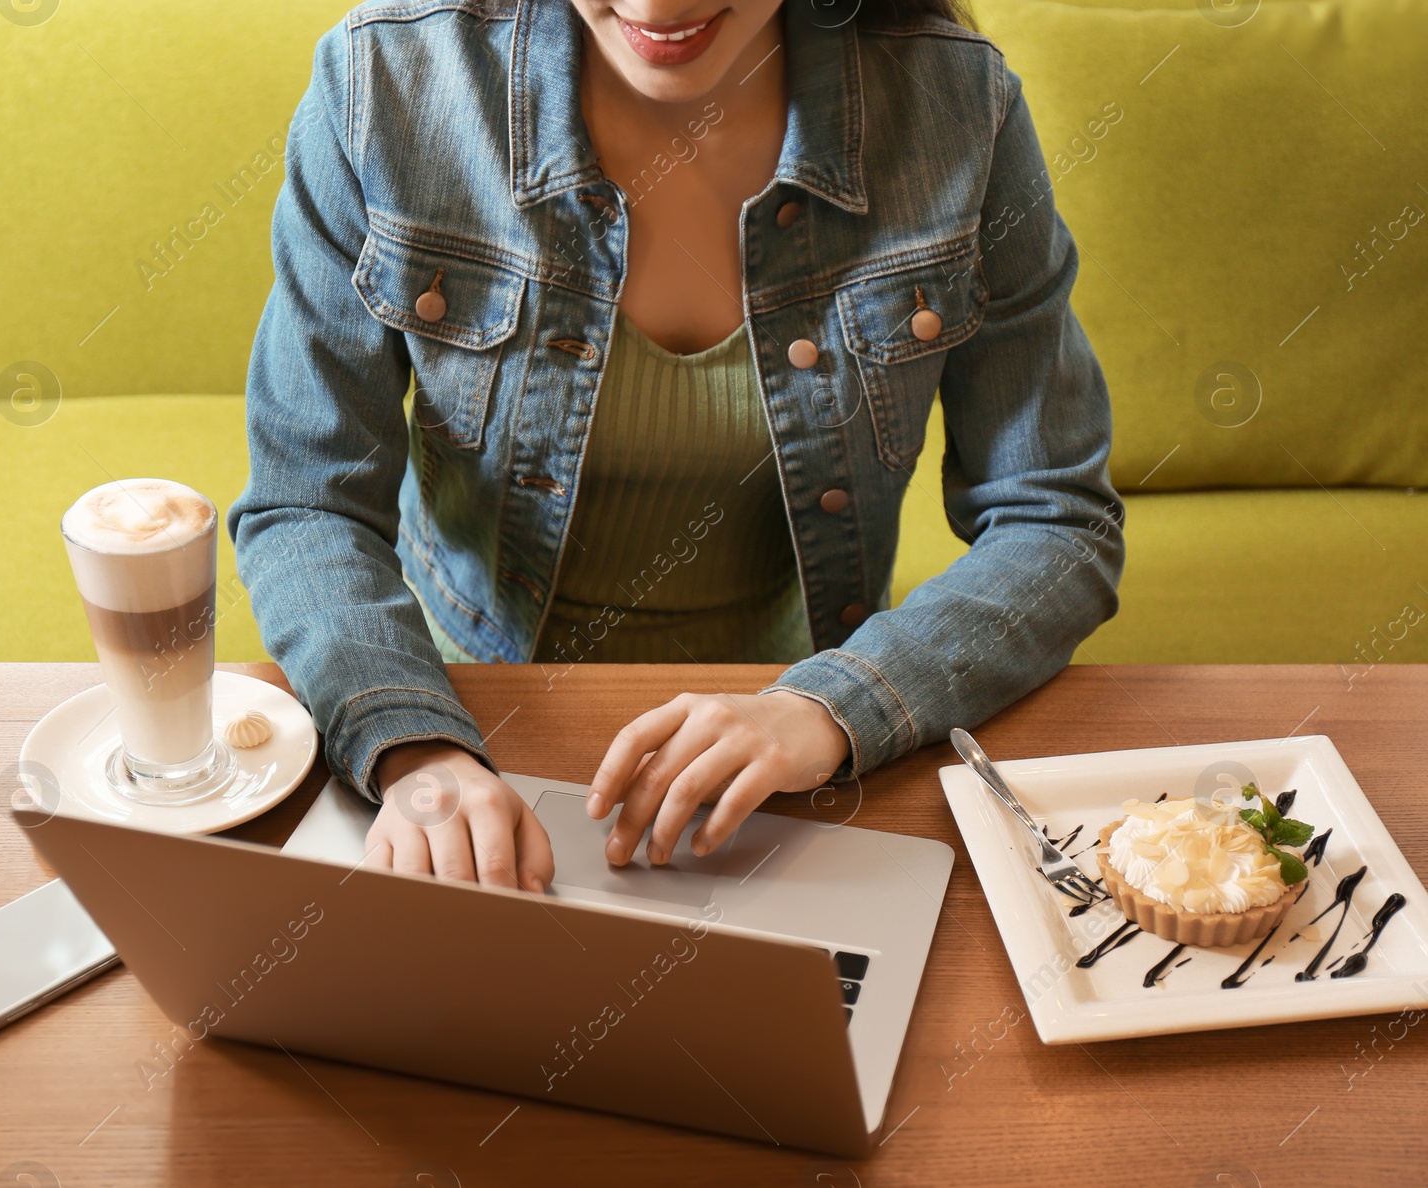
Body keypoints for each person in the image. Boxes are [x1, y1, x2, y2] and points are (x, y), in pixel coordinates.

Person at [228, 0, 1124, 892]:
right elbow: (307, 500)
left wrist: (827, 709)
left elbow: (1056, 521)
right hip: (464, 720)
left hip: (798, 748)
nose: (659, 7)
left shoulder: (959, 103)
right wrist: (415, 751)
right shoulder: (384, 82)